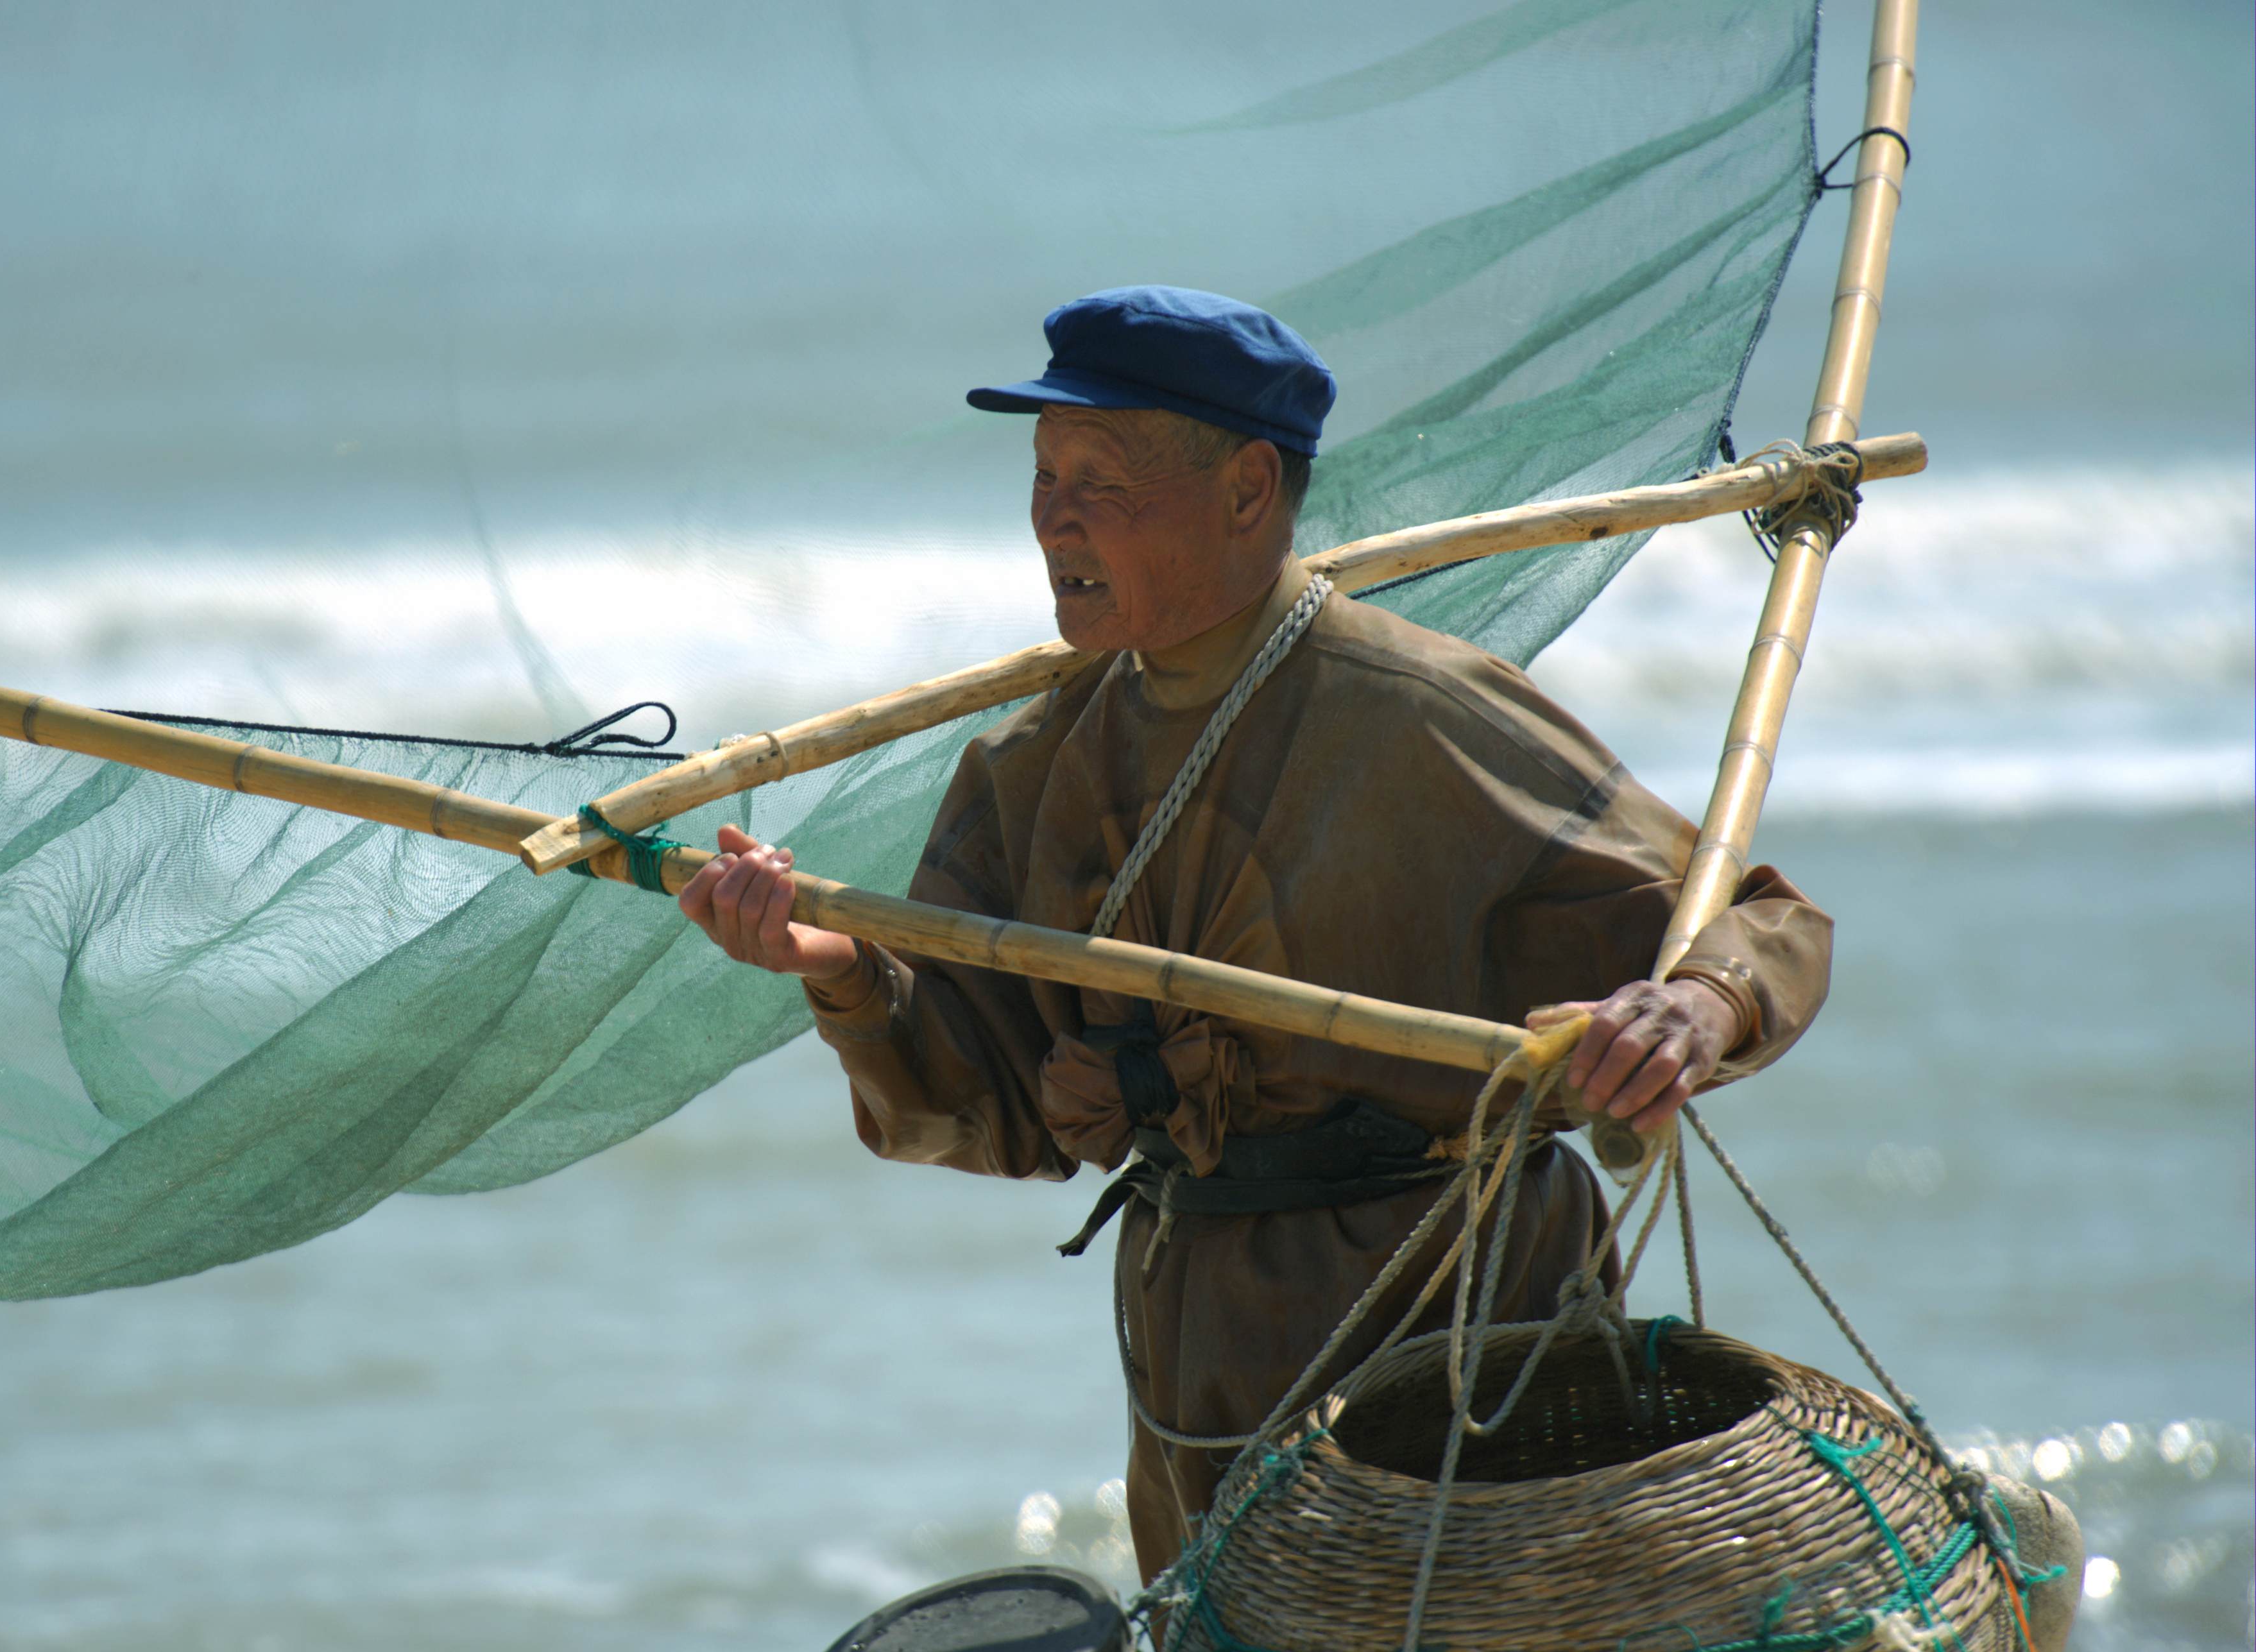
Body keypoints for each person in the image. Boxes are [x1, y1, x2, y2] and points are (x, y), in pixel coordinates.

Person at [678, 286, 1832, 1583]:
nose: (1052, 518)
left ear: (1243, 491)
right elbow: (983, 1098)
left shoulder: (1417, 713)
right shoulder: (1030, 762)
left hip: (1459, 1343)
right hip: (1193, 1362)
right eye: (1042, 477)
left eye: (1098, 482)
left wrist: (1688, 1011)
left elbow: (1752, 921)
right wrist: (824, 962)